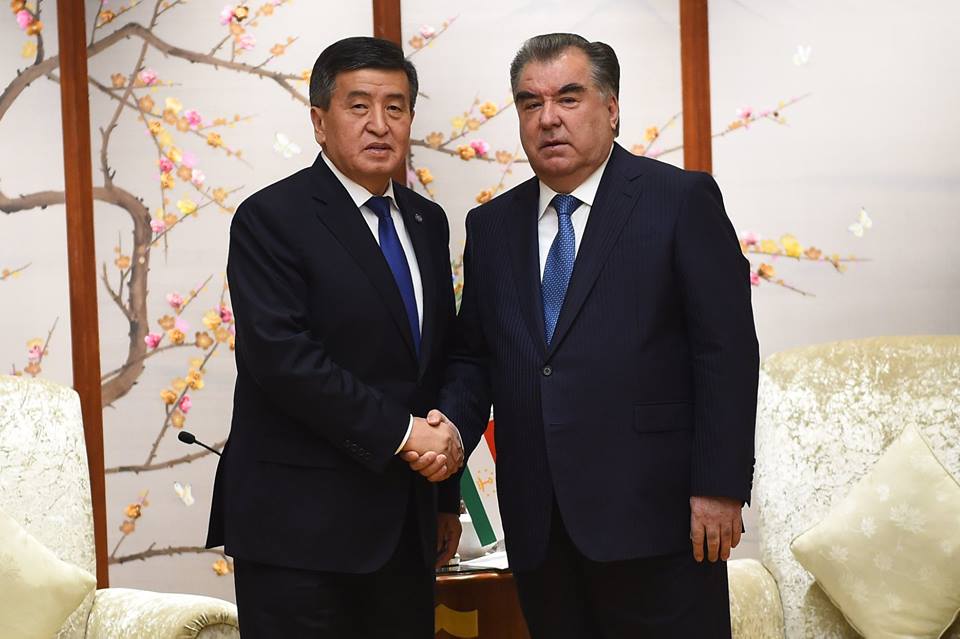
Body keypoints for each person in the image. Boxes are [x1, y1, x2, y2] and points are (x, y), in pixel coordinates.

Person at [418, 33, 759, 638]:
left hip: (660, 519)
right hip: (540, 527)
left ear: (612, 107)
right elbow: (475, 358)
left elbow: (725, 351)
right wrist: (449, 432)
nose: (548, 118)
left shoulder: (679, 200)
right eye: (530, 103)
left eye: (568, 98)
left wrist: (719, 486)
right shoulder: (492, 226)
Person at [206, 36, 464, 638]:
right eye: (359, 106)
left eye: (396, 107)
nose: (380, 124)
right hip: (300, 532)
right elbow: (283, 359)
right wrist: (404, 434)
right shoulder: (271, 218)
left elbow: (436, 362)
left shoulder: (427, 221)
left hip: (405, 528)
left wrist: (444, 496)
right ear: (320, 122)